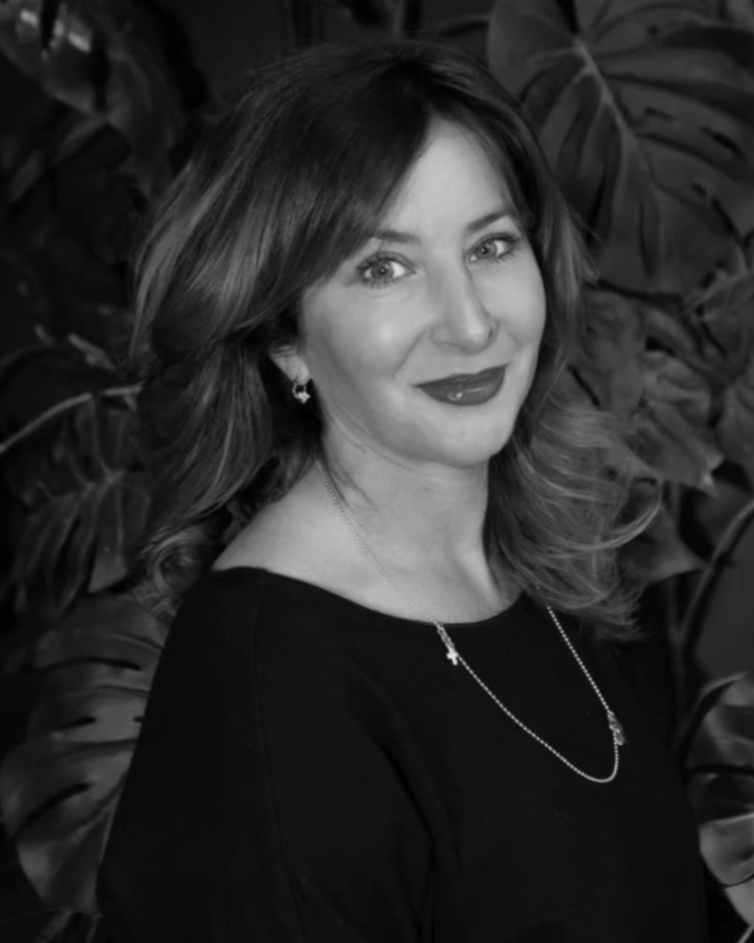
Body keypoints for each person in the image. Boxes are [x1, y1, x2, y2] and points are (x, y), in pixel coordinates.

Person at [96, 38, 708, 942]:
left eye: (492, 244)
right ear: (284, 337)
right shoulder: (269, 680)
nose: (470, 323)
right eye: (384, 267)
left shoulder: (547, 570)